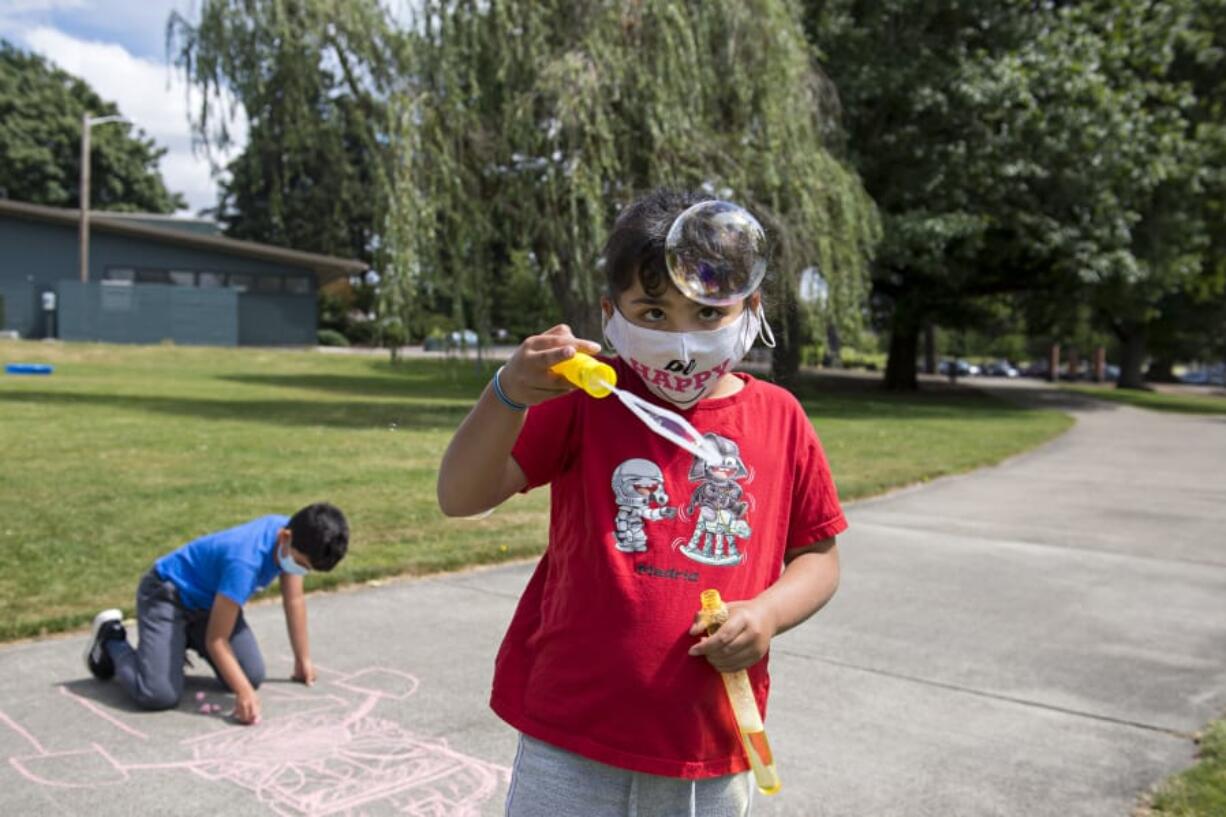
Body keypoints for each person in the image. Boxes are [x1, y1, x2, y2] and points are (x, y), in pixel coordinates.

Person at [437, 189, 846, 816]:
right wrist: (508, 393)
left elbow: (818, 557)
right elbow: (460, 496)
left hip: (707, 743)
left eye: (707, 313)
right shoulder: (585, 400)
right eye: (653, 313)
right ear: (611, 313)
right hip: (571, 734)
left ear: (749, 307)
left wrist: (766, 614)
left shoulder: (780, 419)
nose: (682, 342)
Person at [83, 502, 349, 725]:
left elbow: (294, 600)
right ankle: (111, 640)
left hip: (210, 604)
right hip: (166, 596)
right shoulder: (244, 562)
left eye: (306, 568)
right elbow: (216, 640)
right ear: (284, 537)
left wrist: (302, 660)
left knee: (251, 674)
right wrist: (243, 693)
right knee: (157, 694)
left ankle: (177, 640)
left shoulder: (296, 535)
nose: (299, 570)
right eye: (300, 564)